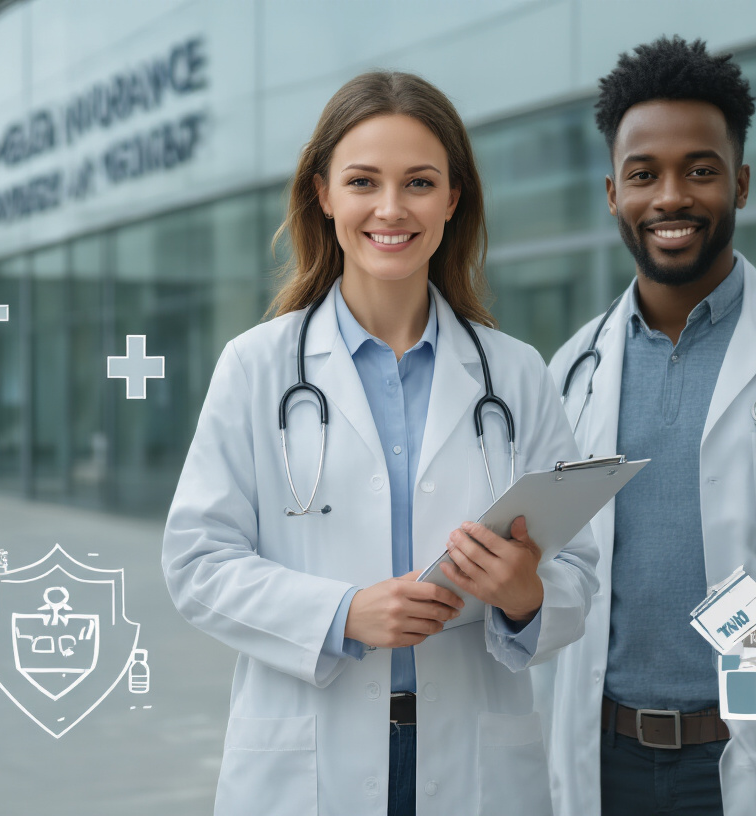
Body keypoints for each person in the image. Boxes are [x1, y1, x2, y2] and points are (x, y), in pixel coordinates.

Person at [162, 71, 597, 816]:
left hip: (475, 764)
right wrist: (341, 614)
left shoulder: (515, 373)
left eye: (420, 183)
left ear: (453, 199)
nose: (391, 209)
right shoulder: (256, 367)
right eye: (363, 181)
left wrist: (527, 597)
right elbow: (197, 563)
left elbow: (580, 572)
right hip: (309, 762)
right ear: (323, 193)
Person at [543, 37, 756, 816]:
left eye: (700, 169)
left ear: (742, 183)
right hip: (604, 758)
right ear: (611, 192)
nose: (671, 196)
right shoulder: (570, 370)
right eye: (643, 174)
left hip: (752, 758)